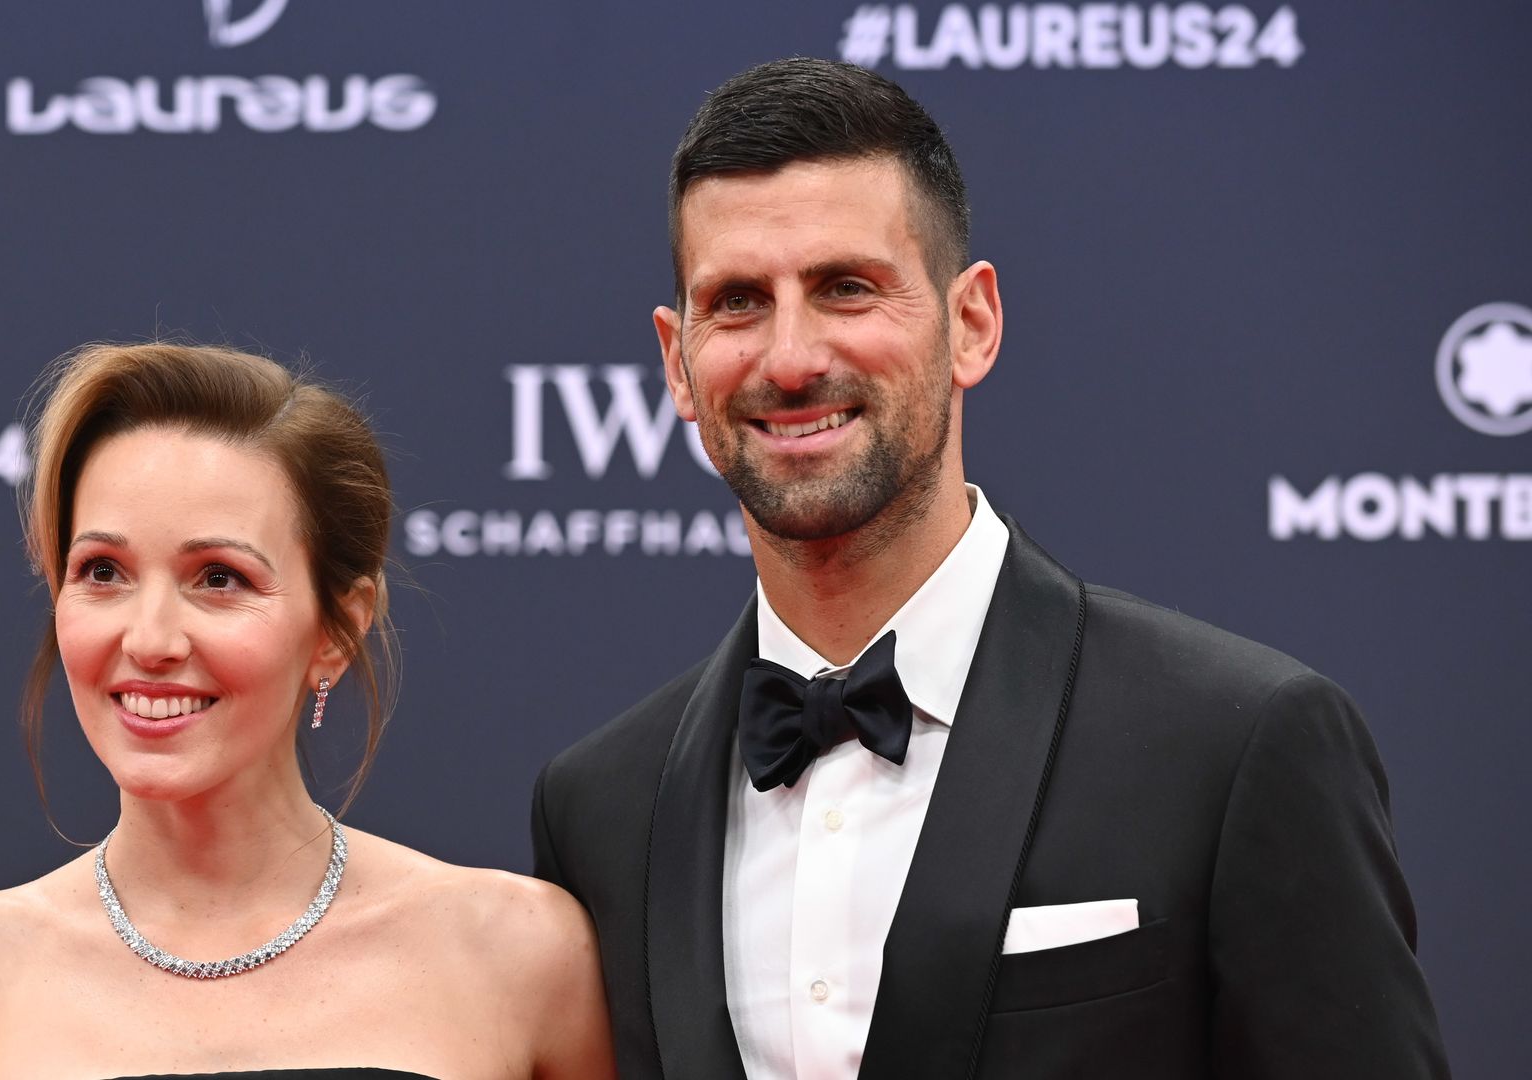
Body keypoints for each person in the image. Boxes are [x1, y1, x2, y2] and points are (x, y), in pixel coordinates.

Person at [530, 58, 1448, 1079]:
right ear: (676, 363)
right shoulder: (601, 810)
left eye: (846, 288)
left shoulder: (1234, 748)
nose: (789, 357)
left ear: (971, 324)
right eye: (738, 302)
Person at [0, 343, 613, 1080]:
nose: (149, 640)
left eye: (219, 578)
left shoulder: (520, 956)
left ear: (339, 631)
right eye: (102, 571)